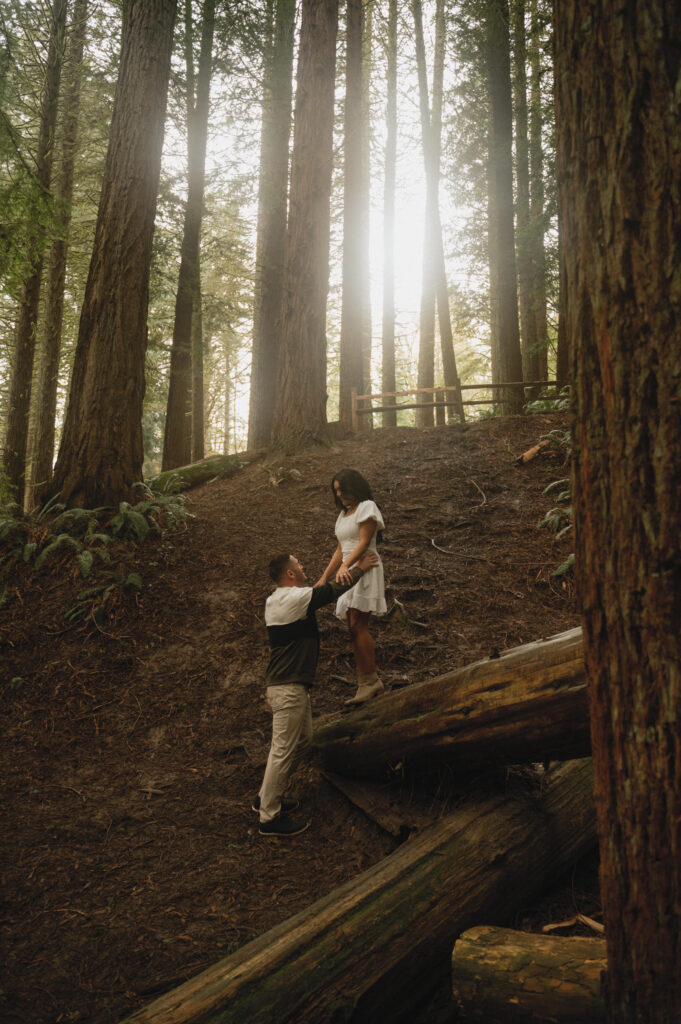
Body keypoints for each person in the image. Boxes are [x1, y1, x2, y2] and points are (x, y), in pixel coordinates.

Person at [256, 548, 379, 838]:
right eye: (298, 564)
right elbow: (330, 591)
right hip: (288, 688)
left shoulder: (280, 599)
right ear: (290, 573)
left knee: (304, 740)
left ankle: (265, 798)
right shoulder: (292, 599)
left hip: (290, 686)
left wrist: (339, 560)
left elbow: (318, 589)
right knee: (282, 750)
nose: (302, 566)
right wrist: (361, 566)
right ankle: (268, 817)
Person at [316, 469, 387, 706]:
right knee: (352, 626)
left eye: (341, 489)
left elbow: (365, 542)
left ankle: (371, 681)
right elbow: (340, 548)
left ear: (353, 487)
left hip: (365, 566)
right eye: (335, 490)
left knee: (358, 623)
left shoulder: (367, 506)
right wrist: (325, 577)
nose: (339, 494)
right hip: (348, 570)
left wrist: (347, 566)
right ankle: (365, 681)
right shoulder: (344, 514)